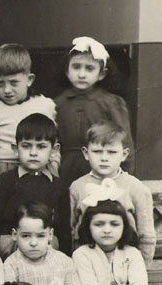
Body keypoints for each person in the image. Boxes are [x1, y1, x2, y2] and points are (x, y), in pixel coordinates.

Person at [0, 113, 71, 258]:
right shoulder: (5, 181)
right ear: (15, 149)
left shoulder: (59, 186)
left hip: (48, 254)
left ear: (54, 150)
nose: (33, 153)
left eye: (41, 147)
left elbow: (64, 232)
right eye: (26, 146)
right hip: (10, 253)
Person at [69, 120, 155, 263]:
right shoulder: (77, 187)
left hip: (126, 263)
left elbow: (146, 235)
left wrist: (141, 268)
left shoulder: (135, 187)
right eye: (97, 152)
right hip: (87, 263)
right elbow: (72, 232)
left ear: (124, 154)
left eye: (111, 152)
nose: (104, 158)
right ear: (85, 153)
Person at [55, 36, 134, 183]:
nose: (82, 74)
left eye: (89, 68)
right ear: (67, 71)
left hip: (103, 168)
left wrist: (124, 178)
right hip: (66, 169)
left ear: (101, 74)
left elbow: (125, 142)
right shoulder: (58, 103)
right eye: (76, 67)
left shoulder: (111, 102)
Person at [0, 43, 57, 184]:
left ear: (29, 80)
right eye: (0, 83)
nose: (6, 90)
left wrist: (54, 165)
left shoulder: (45, 105)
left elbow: (54, 139)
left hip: (40, 167)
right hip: (2, 168)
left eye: (14, 83)